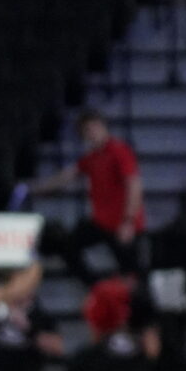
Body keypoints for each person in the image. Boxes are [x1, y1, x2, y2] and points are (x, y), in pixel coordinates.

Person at [29, 111, 144, 279]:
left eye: (95, 128)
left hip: (122, 223)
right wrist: (35, 188)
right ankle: (96, 287)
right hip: (101, 223)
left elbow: (134, 186)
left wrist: (128, 221)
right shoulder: (92, 158)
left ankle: (134, 302)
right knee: (68, 247)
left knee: (131, 273)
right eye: (88, 131)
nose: (93, 133)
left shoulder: (120, 151)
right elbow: (66, 176)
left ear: (104, 127)